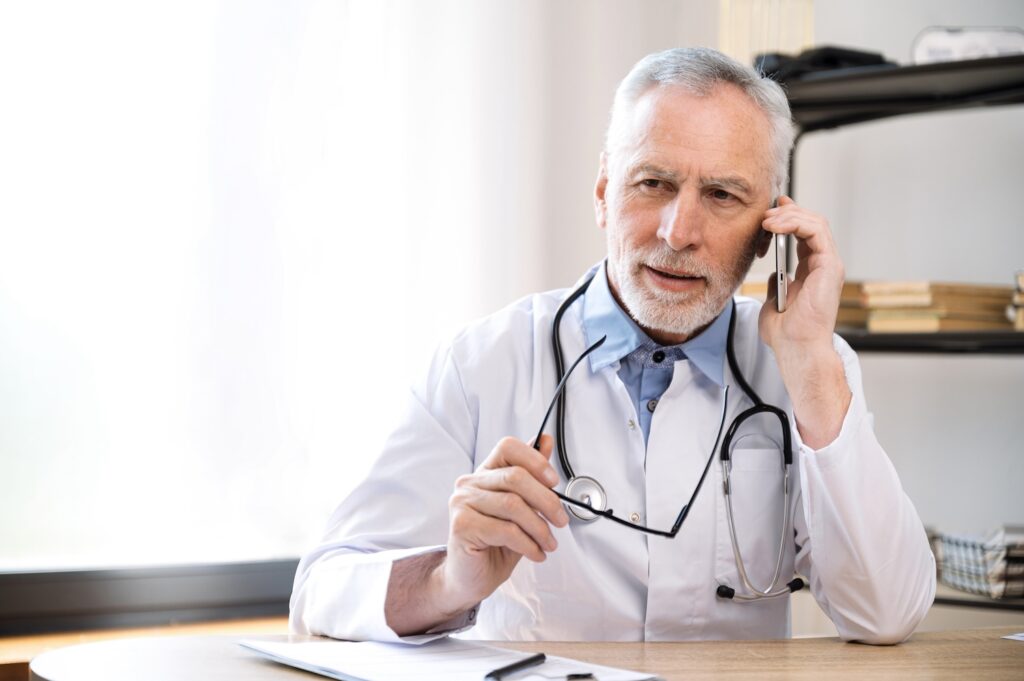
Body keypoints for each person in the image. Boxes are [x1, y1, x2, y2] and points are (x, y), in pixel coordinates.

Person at [289, 47, 936, 644]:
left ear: (772, 229)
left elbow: (889, 613)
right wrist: (448, 581)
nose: (679, 231)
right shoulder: (484, 361)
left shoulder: (809, 367)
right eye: (652, 182)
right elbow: (321, 589)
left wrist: (813, 368)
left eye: (722, 194)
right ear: (604, 193)